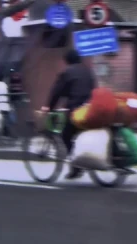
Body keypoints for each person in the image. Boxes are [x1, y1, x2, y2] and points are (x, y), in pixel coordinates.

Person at [41, 49, 97, 179]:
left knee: (66, 134)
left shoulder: (67, 72)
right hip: (91, 109)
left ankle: (76, 167)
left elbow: (57, 91)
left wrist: (49, 107)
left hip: (76, 110)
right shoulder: (88, 71)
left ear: (67, 61)